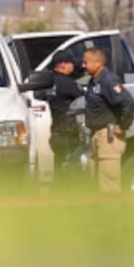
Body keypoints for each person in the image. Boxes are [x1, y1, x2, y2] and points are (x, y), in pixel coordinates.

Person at [82, 47, 134, 194]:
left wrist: (123, 126)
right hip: (96, 135)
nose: (83, 65)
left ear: (98, 63)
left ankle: (112, 209)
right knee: (96, 182)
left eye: (86, 62)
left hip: (108, 138)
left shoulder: (108, 80)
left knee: (108, 183)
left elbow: (128, 102)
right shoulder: (94, 81)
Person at [47, 50, 84, 188]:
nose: (73, 66)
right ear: (63, 65)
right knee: (70, 172)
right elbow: (84, 98)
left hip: (56, 132)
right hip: (68, 134)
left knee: (58, 169)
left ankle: (56, 196)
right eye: (71, 63)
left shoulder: (49, 81)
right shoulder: (68, 83)